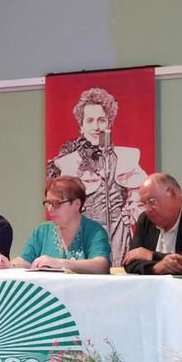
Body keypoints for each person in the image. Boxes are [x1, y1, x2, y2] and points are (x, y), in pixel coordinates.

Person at [47, 87, 147, 267]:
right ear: (81, 126)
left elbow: (141, 198)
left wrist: (131, 212)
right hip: (86, 240)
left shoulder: (125, 158)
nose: (96, 126)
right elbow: (60, 206)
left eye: (101, 120)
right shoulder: (70, 163)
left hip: (120, 239)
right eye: (90, 120)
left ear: (109, 122)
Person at [0, 176, 110, 274]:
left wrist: (60, 263)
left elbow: (101, 265)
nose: (50, 209)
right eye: (48, 203)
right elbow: (25, 260)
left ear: (76, 204)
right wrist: (10, 265)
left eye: (56, 203)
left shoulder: (94, 231)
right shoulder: (42, 231)